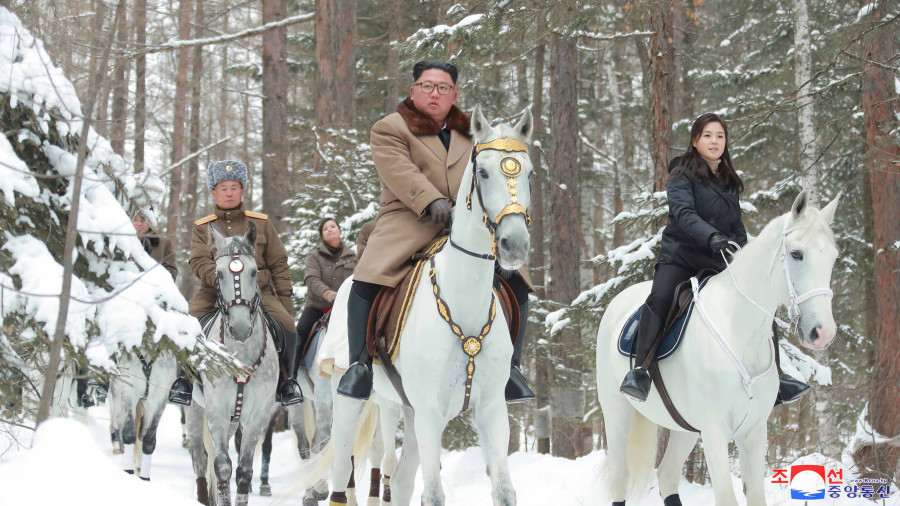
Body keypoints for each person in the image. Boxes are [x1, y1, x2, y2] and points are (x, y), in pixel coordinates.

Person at [336, 60, 535, 403]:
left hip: (466, 222)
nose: (435, 93)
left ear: (454, 95)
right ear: (413, 91)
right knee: (368, 278)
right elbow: (398, 171)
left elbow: (489, 173)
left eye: (443, 88)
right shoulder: (390, 128)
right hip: (408, 219)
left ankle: (511, 370)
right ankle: (360, 367)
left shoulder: (473, 132)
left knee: (518, 282)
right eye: (427, 86)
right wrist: (429, 200)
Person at [618, 113, 810, 406]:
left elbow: (735, 225)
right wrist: (711, 236)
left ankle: (778, 376)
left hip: (720, 259)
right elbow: (684, 214)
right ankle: (641, 371)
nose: (714, 141)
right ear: (695, 141)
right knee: (660, 297)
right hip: (681, 256)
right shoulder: (681, 174)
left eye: (720, 136)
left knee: (760, 299)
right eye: (707, 135)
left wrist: (744, 254)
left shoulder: (729, 181)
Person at [167, 160, 303, 406]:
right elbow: (198, 260)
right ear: (213, 192)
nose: (229, 192)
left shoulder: (261, 223)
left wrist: (285, 300)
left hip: (258, 291)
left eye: (234, 187)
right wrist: (222, 279)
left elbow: (279, 262)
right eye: (223, 188)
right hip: (214, 290)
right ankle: (184, 380)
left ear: (242, 190)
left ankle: (287, 382)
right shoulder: (203, 227)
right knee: (188, 324)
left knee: (287, 325)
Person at [78, 209, 176, 409]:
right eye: (135, 220)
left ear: (150, 223)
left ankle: (179, 382)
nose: (138, 224)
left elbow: (172, 271)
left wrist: (157, 282)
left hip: (154, 300)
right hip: (123, 299)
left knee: (178, 329)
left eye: (143, 220)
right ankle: (103, 379)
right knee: (104, 329)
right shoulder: (117, 241)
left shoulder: (163, 244)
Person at [295, 218, 357, 355]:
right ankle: (291, 373)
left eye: (333, 226)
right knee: (300, 332)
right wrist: (328, 294)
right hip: (317, 307)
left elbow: (357, 280)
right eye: (325, 228)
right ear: (322, 235)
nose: (330, 229)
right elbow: (311, 279)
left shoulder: (353, 257)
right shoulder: (314, 256)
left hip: (344, 306)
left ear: (339, 231)